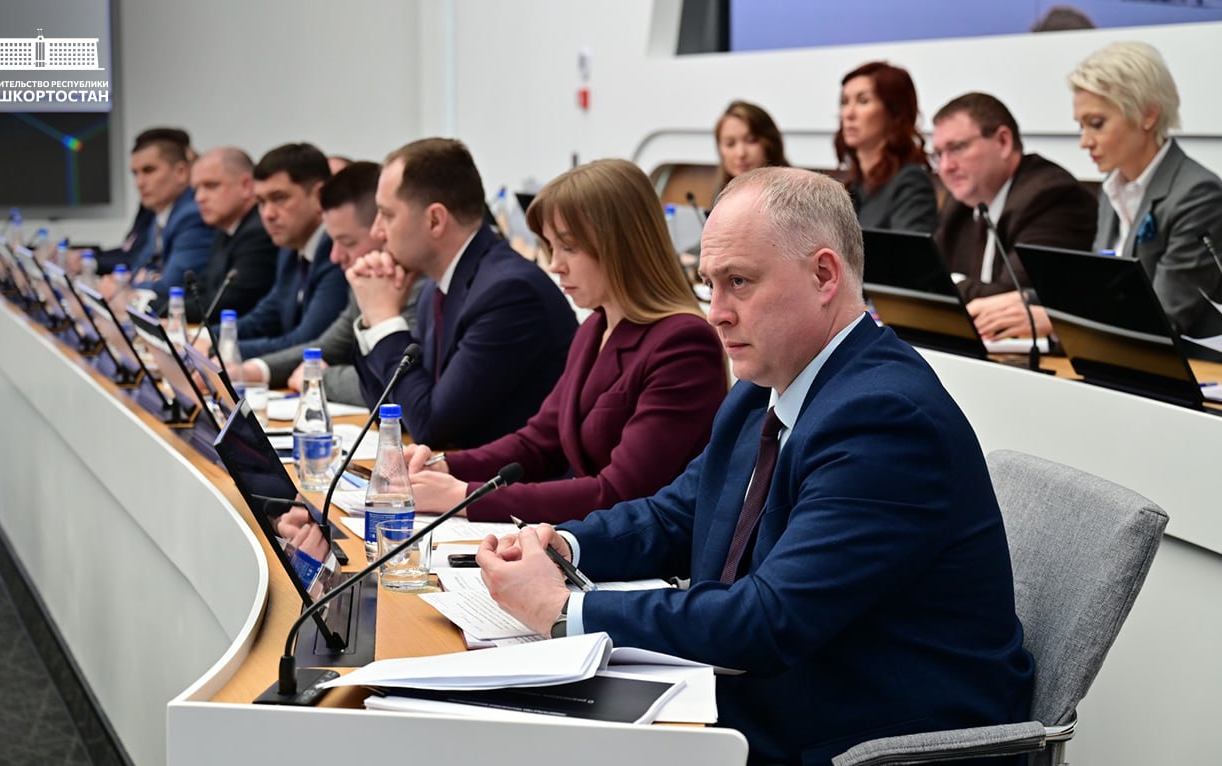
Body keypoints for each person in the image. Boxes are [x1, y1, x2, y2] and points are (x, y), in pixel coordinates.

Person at [476, 167, 1034, 765]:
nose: (716, 312)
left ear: (825, 275)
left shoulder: (885, 419)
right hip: (773, 697)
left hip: (862, 736)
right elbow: (678, 514)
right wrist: (565, 546)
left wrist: (566, 610)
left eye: (738, 282)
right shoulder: (763, 387)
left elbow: (769, 619)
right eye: (709, 284)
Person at [403, 159, 728, 523]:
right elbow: (538, 443)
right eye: (551, 247)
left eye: (569, 247)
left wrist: (463, 497)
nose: (555, 264)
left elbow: (619, 491)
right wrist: (444, 466)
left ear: (619, 246)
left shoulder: (683, 344)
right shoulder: (594, 329)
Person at [349, 138, 577, 448]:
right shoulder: (437, 287)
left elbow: (432, 427)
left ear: (435, 220)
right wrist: (373, 321)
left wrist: (384, 322)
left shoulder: (508, 293)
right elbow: (390, 414)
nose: (377, 231)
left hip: (513, 475)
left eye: (387, 215)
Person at [1070, 41, 1222, 341]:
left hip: (1190, 364)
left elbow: (1162, 318)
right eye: (1081, 127)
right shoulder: (1111, 188)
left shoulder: (1198, 195)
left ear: (1148, 115)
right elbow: (1100, 288)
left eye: (1096, 124)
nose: (1084, 142)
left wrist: (1061, 319)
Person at [239, 161, 421, 404]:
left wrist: (322, 378)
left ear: (382, 232)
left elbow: (398, 382)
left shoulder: (421, 285)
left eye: (347, 242)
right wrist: (251, 371)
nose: (335, 256)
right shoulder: (368, 280)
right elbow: (330, 346)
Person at [931, 93, 1097, 340]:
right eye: (938, 154)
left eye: (957, 148)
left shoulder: (1050, 197)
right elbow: (926, 282)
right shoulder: (960, 203)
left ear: (1003, 142)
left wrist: (950, 282)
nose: (946, 167)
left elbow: (1015, 299)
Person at [200, 143, 347, 359]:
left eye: (279, 198)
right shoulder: (290, 249)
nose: (268, 214)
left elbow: (306, 342)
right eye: (261, 202)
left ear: (319, 196)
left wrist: (217, 349)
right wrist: (206, 336)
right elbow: (267, 316)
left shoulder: (336, 251)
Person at [100, 128, 214, 311]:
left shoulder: (192, 214)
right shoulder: (161, 213)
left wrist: (124, 286)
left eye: (149, 170)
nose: (139, 183)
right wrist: (144, 278)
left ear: (181, 172)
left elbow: (172, 287)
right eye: (135, 173)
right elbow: (137, 267)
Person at [835, 61, 938, 233]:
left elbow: (908, 249)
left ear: (894, 113)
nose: (848, 114)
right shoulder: (855, 185)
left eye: (863, 101)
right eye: (844, 102)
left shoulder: (910, 183)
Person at [186, 147, 279, 323]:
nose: (199, 198)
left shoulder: (258, 232)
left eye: (211, 186)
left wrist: (164, 309)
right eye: (196, 189)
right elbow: (202, 288)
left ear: (246, 186)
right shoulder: (224, 230)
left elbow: (231, 303)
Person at [715, 100, 789, 192]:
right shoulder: (722, 192)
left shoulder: (793, 192)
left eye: (751, 141)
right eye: (730, 144)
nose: (741, 153)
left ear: (771, 143)